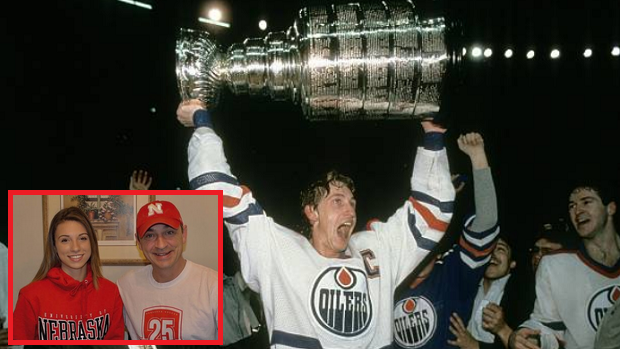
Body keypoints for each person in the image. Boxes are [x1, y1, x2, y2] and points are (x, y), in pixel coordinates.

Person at [177, 99, 455, 348]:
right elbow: (216, 189)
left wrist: (433, 138)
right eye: (337, 201)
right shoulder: (280, 253)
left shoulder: (376, 251)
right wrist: (203, 124)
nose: (350, 211)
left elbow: (432, 213)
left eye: (352, 203)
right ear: (312, 212)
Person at [392, 132, 500, 349]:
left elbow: (486, 221)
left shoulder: (452, 276)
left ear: (439, 248)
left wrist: (477, 156)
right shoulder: (387, 282)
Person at [509, 182, 620, 349]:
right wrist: (526, 337)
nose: (578, 210)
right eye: (572, 206)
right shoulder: (554, 266)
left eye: (586, 202)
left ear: (610, 208)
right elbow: (549, 329)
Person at [12, 207, 124, 340]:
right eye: (65, 240)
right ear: (54, 246)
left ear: (92, 243)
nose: (75, 248)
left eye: (82, 238)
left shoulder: (111, 292)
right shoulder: (30, 296)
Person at [117, 200, 219, 340]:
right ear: (139, 243)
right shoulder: (125, 286)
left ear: (184, 234)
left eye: (169, 232)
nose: (161, 244)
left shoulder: (214, 286)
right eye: (150, 236)